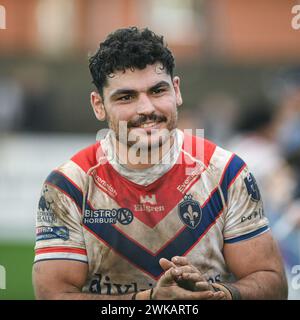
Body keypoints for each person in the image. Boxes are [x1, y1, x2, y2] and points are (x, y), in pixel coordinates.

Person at [32, 27, 287, 300]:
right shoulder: (69, 185)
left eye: (157, 91)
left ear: (176, 90)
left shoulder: (226, 172)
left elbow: (272, 282)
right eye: (126, 97)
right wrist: (149, 301)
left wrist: (218, 295)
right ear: (98, 105)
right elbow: (54, 295)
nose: (147, 109)